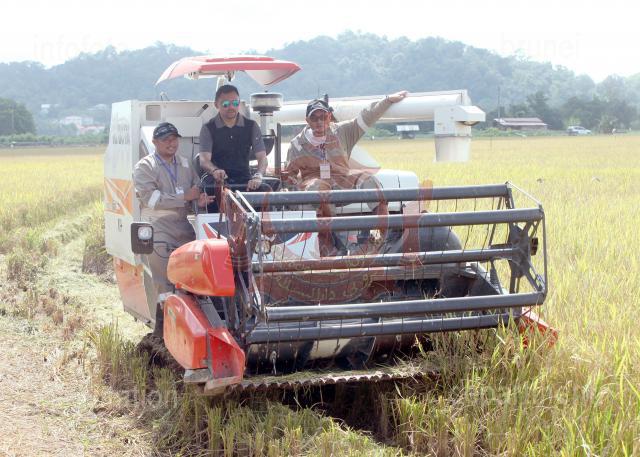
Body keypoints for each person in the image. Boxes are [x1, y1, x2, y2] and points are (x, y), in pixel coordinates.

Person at [285, 91, 408, 253]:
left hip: (341, 180)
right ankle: (330, 245)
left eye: (323, 117)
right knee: (318, 189)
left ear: (329, 117)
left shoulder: (343, 131)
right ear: (307, 120)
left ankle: (380, 239)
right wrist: (292, 190)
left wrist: (387, 100)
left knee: (370, 181)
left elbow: (367, 117)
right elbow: (290, 175)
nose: (319, 122)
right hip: (315, 186)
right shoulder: (297, 144)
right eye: (314, 118)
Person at [134, 122, 212, 335]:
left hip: (184, 227)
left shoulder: (185, 164)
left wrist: (199, 200)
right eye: (165, 140)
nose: (171, 143)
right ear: (155, 142)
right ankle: (164, 332)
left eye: (174, 138)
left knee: (190, 279)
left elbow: (195, 190)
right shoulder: (145, 167)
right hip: (159, 229)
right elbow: (151, 200)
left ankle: (191, 331)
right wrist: (185, 197)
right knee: (165, 284)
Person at [199, 84, 271, 195]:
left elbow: (262, 158)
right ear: (216, 105)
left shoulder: (251, 126)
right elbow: (204, 160)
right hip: (217, 180)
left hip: (244, 178)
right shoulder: (208, 128)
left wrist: (258, 176)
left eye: (235, 103)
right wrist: (215, 170)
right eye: (226, 104)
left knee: (266, 190)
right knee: (212, 190)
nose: (231, 107)